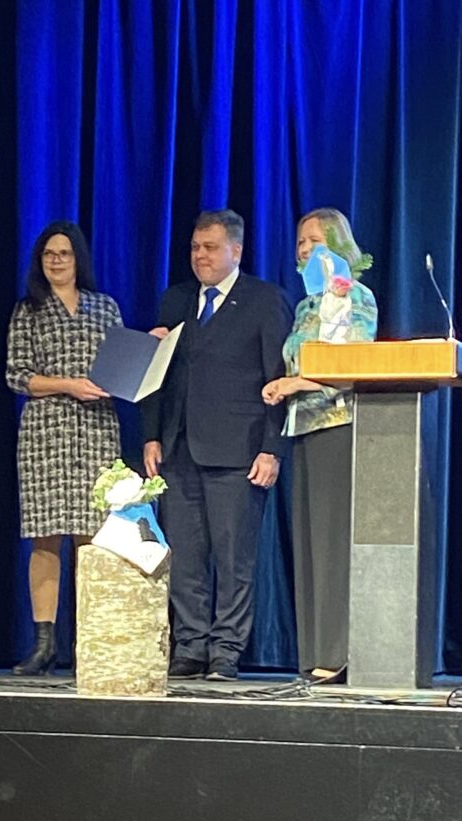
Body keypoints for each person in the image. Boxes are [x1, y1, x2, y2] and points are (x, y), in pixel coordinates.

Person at [142, 209, 291, 680]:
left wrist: (272, 448)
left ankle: (226, 650)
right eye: (194, 247)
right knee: (184, 557)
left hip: (238, 451)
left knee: (232, 559)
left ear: (236, 251)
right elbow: (157, 377)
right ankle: (190, 645)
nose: (200, 256)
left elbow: (278, 378)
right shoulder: (176, 300)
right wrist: (151, 435)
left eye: (210, 247)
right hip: (179, 448)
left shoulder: (265, 300)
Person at [262, 207, 378, 681]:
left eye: (315, 240)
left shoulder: (354, 295)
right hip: (305, 427)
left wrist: (295, 383)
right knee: (309, 544)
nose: (306, 249)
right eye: (301, 242)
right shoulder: (308, 305)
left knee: (331, 542)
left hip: (337, 424)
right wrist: (287, 384)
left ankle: (338, 652)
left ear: (338, 245)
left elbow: (352, 364)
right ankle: (313, 653)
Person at [6, 221, 122, 675]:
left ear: (79, 259)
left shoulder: (104, 307)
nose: (56, 261)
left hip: (96, 431)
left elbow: (120, 367)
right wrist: (68, 385)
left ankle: (91, 641)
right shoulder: (28, 311)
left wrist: (144, 353)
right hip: (46, 434)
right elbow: (17, 375)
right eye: (49, 254)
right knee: (47, 537)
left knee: (94, 539)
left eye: (64, 253)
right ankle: (44, 644)